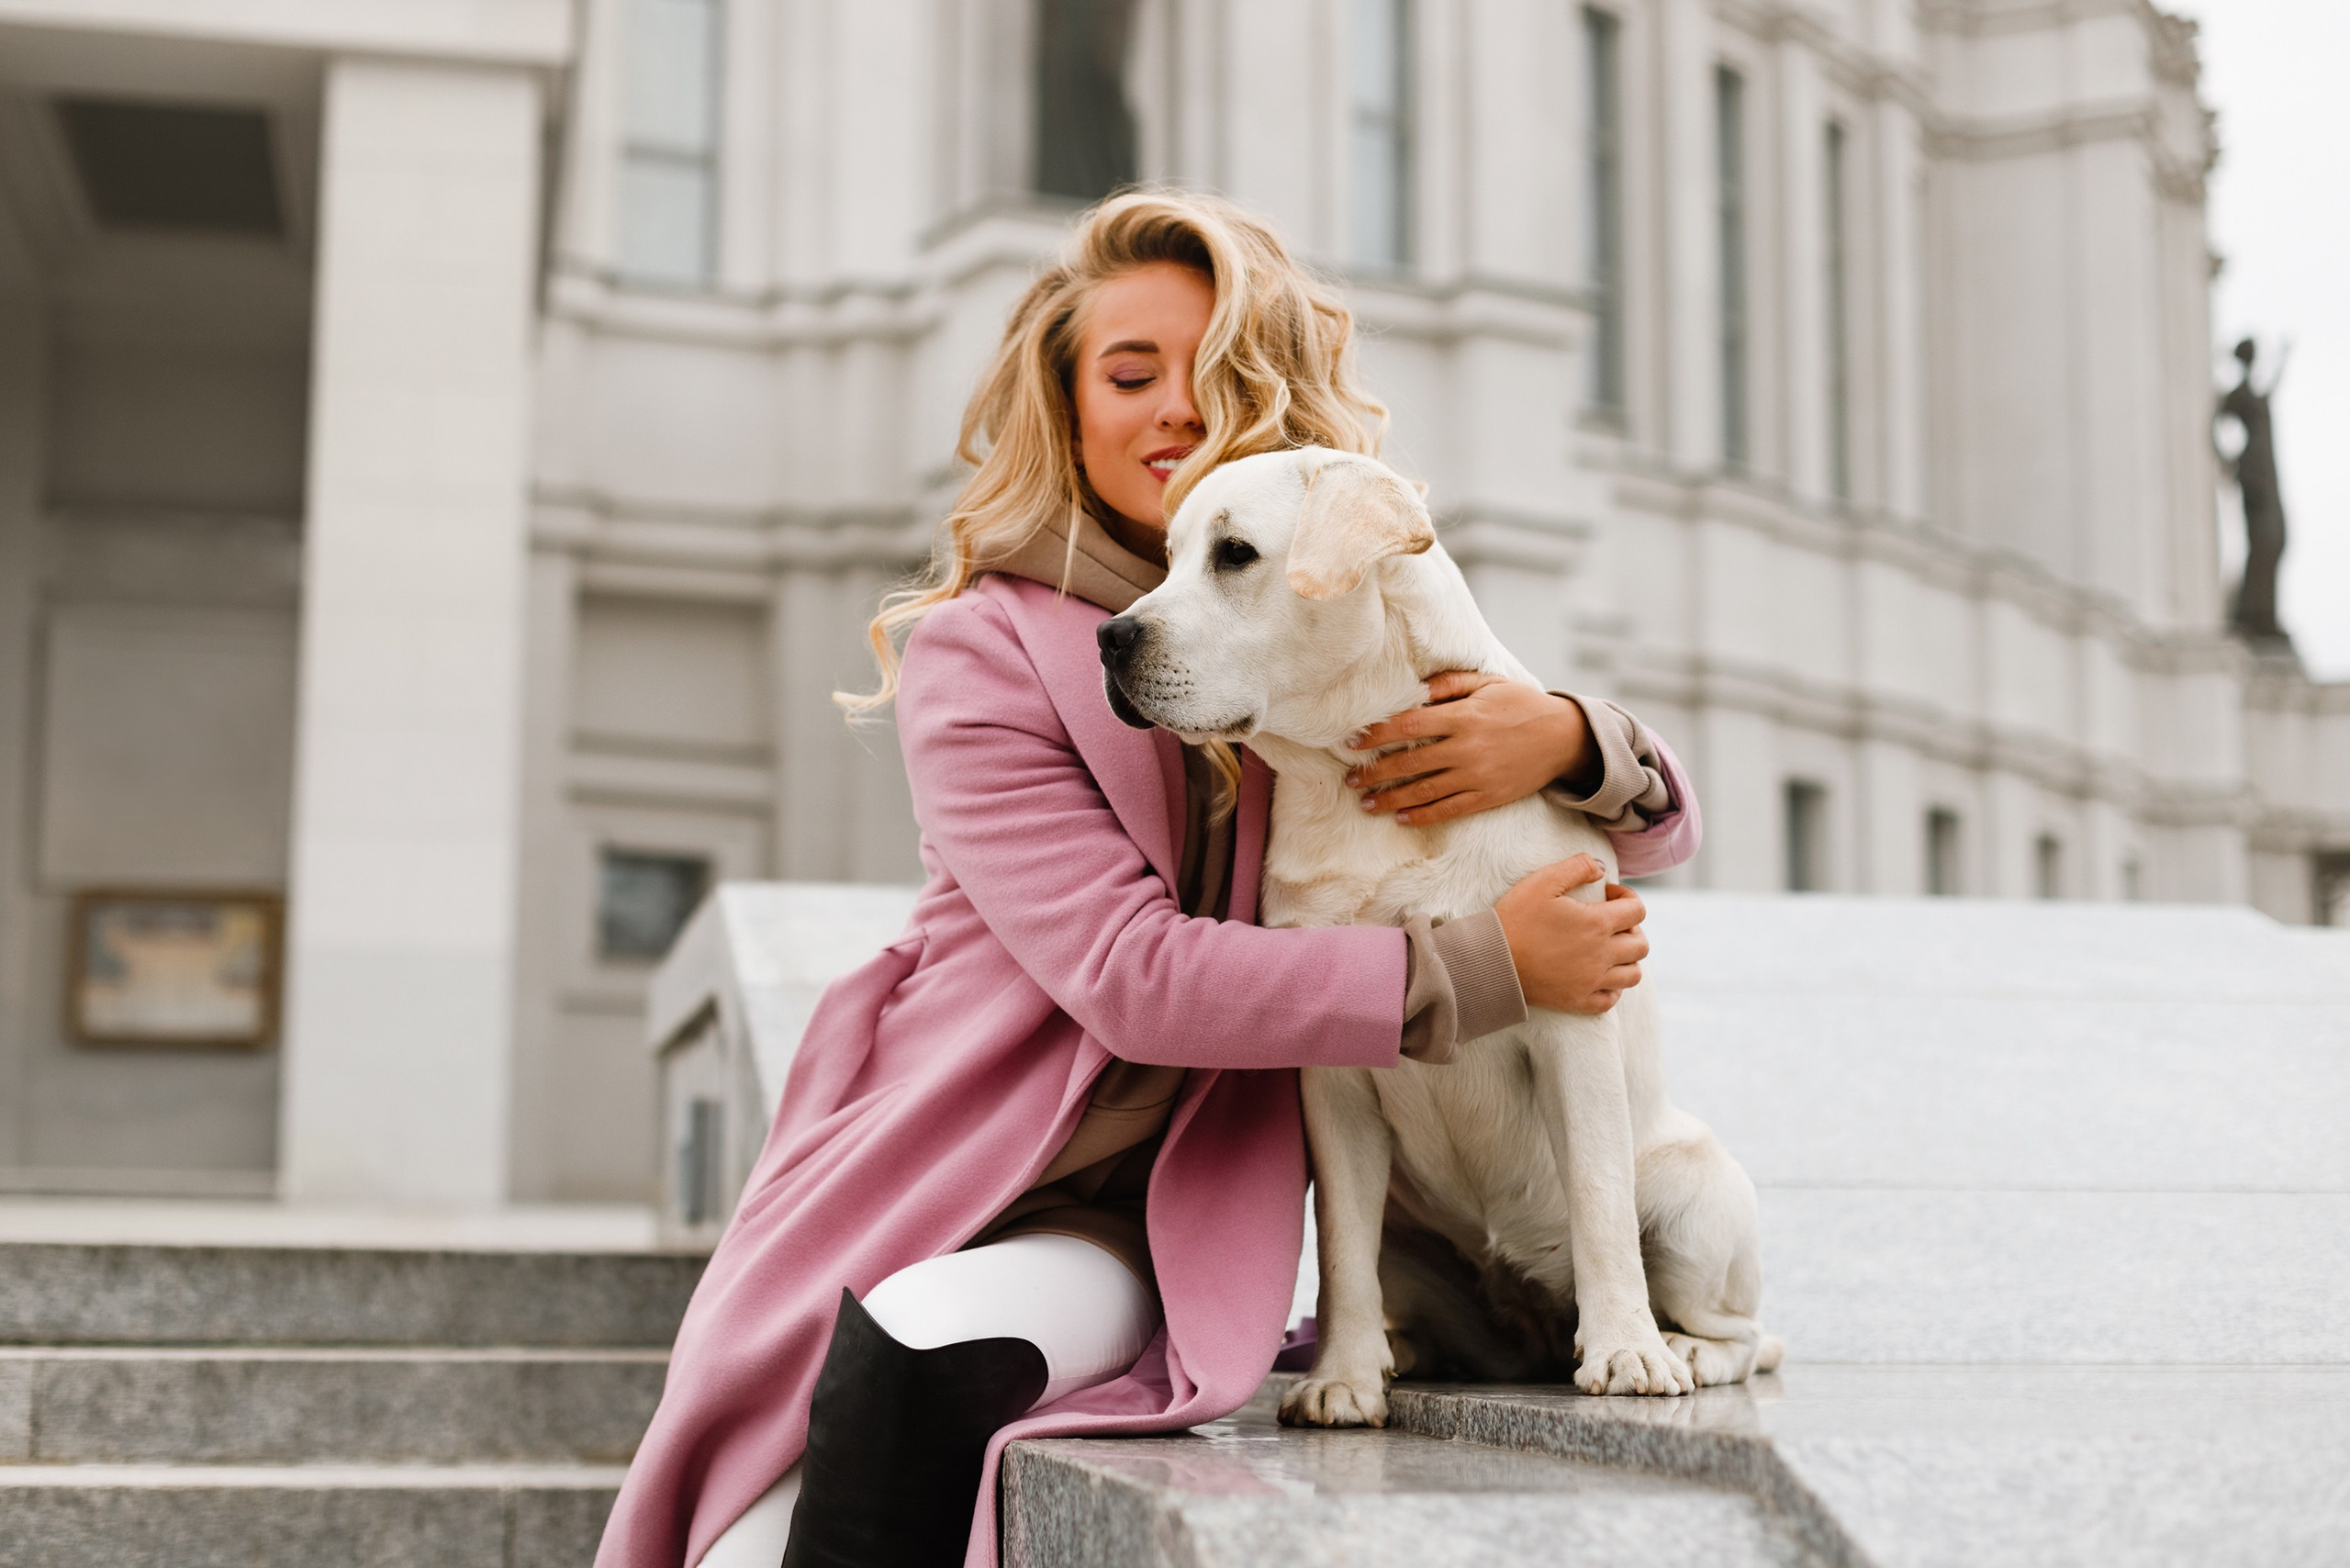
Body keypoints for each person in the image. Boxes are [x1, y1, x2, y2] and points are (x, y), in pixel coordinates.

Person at [595, 191, 1705, 1568]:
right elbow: (1131, 978)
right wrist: (1485, 965)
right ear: (1062, 404)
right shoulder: (980, 652)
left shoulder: (1318, 610)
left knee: (925, 1358)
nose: (1172, 409)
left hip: (1141, 1223)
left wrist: (1570, 737)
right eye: (1126, 375)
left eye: (1214, 372)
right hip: (945, 1177)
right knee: (752, 1533)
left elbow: (1638, 846)